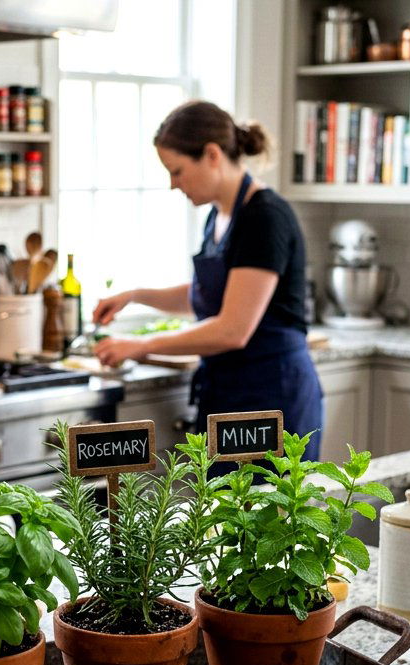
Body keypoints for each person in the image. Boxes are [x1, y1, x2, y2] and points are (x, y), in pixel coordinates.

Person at [93, 99, 323, 461]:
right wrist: (135, 296)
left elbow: (233, 328)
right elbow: (208, 295)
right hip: (230, 394)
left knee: (272, 513)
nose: (173, 184)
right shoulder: (218, 216)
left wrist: (140, 345)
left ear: (212, 155)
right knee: (221, 514)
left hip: (271, 397)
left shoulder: (264, 217)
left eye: (178, 171)